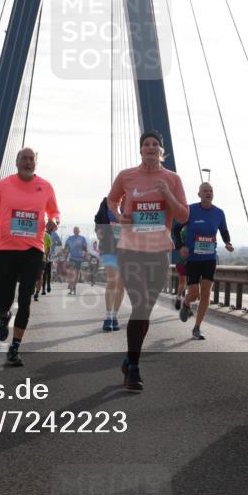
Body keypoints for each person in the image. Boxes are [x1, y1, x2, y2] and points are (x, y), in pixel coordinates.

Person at [107, 130, 189, 390]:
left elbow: (184, 215)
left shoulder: (172, 179)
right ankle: (133, 368)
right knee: (140, 306)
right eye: (146, 144)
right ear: (140, 150)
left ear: (161, 151)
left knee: (145, 312)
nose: (151, 148)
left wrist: (168, 194)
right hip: (130, 249)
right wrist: (120, 215)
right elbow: (111, 199)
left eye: (155, 145)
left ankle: (130, 359)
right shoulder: (127, 176)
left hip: (160, 252)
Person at [0, 147, 60, 367]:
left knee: (25, 297)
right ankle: (4, 315)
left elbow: (54, 211)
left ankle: (15, 347)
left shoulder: (45, 186)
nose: (27, 162)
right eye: (23, 158)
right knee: (6, 295)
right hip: (6, 248)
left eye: (31, 159)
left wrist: (55, 221)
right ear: (16, 162)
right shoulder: (3, 185)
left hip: (33, 249)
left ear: (36, 163)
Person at [177, 182, 234, 340]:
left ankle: (197, 327)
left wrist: (228, 242)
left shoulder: (219, 213)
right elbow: (176, 228)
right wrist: (181, 246)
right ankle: (187, 303)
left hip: (209, 258)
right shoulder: (190, 210)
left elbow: (223, 230)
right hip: (193, 259)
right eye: (205, 191)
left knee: (206, 292)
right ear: (199, 194)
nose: (208, 193)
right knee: (194, 293)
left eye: (211, 191)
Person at [94, 196, 125, 332]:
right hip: (109, 248)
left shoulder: (129, 203)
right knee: (112, 280)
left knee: (121, 284)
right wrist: (98, 230)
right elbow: (98, 219)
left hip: (125, 250)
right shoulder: (106, 202)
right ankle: (107, 317)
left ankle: (114, 316)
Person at [64, 227, 88, 295]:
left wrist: (80, 245)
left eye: (77, 231)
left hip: (79, 258)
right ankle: (71, 285)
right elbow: (66, 247)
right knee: (71, 273)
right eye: (75, 230)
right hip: (72, 258)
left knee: (77, 274)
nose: (76, 232)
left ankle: (74, 287)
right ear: (73, 231)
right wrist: (65, 256)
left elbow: (85, 249)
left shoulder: (82, 238)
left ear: (79, 231)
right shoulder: (70, 238)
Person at [171, 219, 188, 311]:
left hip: (180, 261)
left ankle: (178, 297)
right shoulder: (193, 232)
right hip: (191, 261)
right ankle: (187, 302)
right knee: (194, 282)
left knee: (182, 282)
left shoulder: (180, 233)